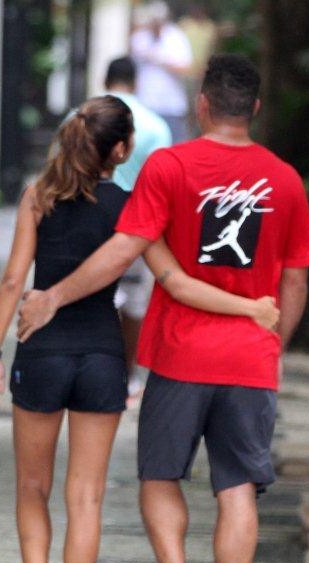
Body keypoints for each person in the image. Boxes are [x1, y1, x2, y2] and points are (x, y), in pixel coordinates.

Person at [16, 54, 309, 563]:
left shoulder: (170, 165)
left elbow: (124, 251)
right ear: (254, 108)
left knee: (160, 478)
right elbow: (295, 282)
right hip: (250, 363)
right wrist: (272, 343)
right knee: (238, 490)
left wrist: (52, 296)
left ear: (203, 104)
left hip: (181, 355)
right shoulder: (285, 180)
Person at [104, 56, 173, 397]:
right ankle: (127, 376)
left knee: (98, 297)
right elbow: (165, 182)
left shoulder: (79, 117)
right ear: (135, 83)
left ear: (106, 80)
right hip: (138, 224)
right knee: (133, 303)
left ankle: (100, 368)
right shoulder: (156, 125)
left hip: (91, 221)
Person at [131, 1, 193, 143]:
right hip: (145, 104)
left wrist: (161, 59)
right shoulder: (139, 38)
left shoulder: (176, 37)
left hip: (171, 105)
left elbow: (185, 68)